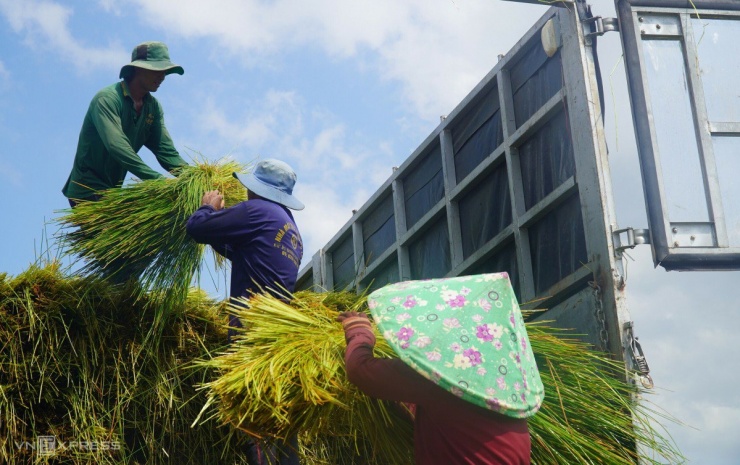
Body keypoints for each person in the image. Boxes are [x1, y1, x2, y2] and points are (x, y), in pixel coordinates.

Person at [338, 273, 541, 465]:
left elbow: (360, 369)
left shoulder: (440, 376)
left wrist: (359, 331)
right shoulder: (505, 399)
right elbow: (454, 423)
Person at [186, 158, 304, 465]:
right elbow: (242, 252)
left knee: (256, 424)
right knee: (281, 424)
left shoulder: (256, 211)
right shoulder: (291, 230)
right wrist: (220, 228)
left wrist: (208, 208)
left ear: (258, 190)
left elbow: (197, 228)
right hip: (277, 338)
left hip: (251, 335)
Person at [62, 41, 188, 207]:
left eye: (165, 71)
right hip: (87, 188)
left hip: (112, 191)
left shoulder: (152, 108)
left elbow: (166, 151)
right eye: (157, 70)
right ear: (138, 68)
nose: (162, 76)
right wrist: (157, 179)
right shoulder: (107, 99)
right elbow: (118, 147)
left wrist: (193, 176)